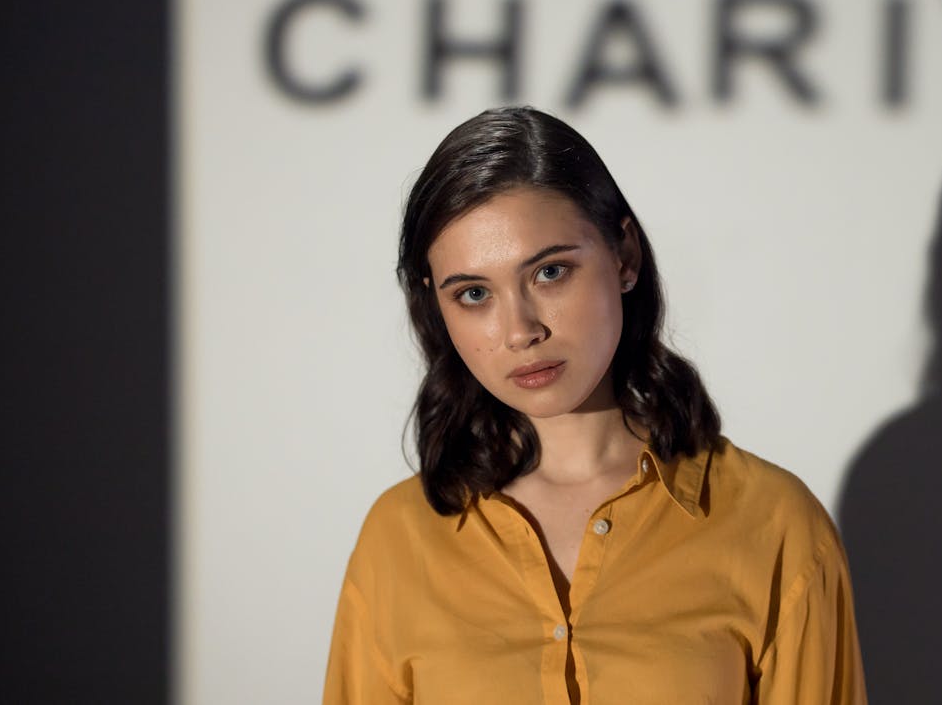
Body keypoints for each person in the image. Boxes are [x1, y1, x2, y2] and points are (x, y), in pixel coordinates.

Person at [323, 106, 866, 704]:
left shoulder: (774, 525)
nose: (520, 330)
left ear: (624, 255)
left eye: (550, 272)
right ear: (437, 305)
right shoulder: (398, 539)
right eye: (474, 293)